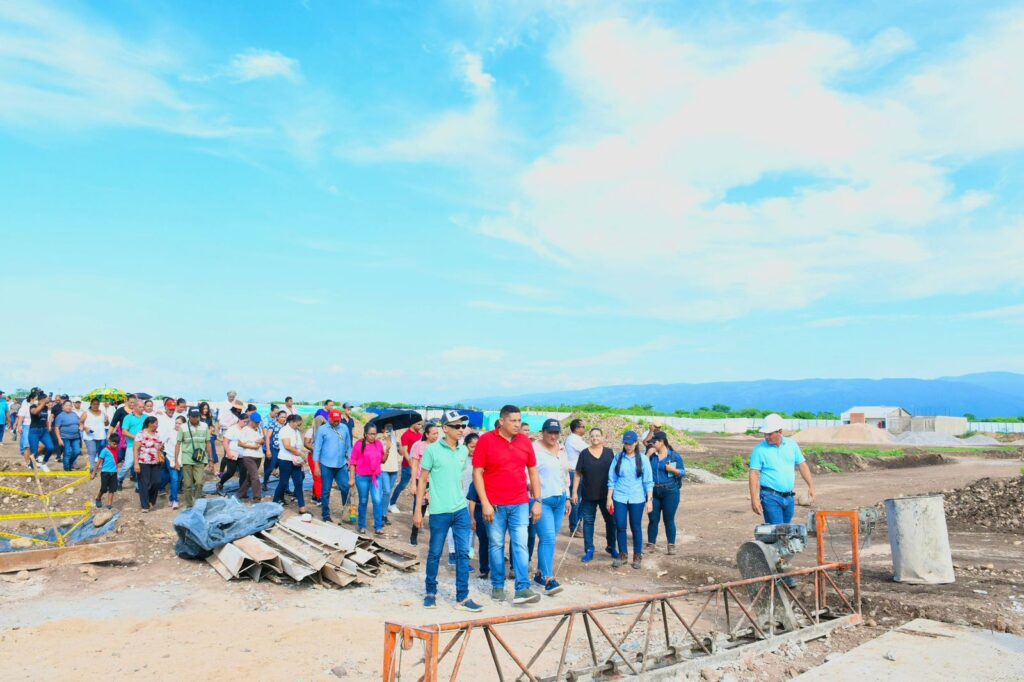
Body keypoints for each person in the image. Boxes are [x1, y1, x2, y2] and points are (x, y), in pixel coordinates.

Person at [473, 404, 543, 606]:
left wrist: (537, 500)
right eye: (513, 421)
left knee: (520, 544)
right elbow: (478, 472)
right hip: (494, 504)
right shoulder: (486, 441)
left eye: (519, 421)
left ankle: (522, 588)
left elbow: (533, 471)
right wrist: (484, 503)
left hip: (520, 502)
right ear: (502, 421)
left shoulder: (525, 442)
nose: (517, 424)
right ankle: (497, 585)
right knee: (496, 545)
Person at [414, 410, 482, 612]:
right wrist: (418, 510)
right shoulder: (432, 451)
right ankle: (430, 593)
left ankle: (462, 597)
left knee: (463, 554)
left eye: (463, 426)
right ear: (446, 429)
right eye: (457, 426)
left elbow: (457, 478)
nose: (462, 430)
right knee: (435, 553)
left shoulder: (462, 451)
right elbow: (423, 480)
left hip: (460, 509)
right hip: (439, 511)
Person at [748, 413, 816, 524]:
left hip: (789, 497)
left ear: (780, 432)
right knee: (778, 532)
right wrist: (754, 499)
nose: (766, 437)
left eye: (769, 434)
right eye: (765, 434)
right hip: (770, 497)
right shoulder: (759, 450)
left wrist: (811, 486)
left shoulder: (791, 445)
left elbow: (802, 465)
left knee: (786, 531)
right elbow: (754, 474)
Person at [532, 418, 571, 595]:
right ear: (543, 432)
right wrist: (536, 500)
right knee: (548, 538)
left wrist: (568, 497)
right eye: (550, 432)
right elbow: (528, 476)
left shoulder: (562, 449)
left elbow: (565, 475)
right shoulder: (534, 449)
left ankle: (540, 573)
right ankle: (549, 579)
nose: (553, 436)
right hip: (543, 500)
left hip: (560, 498)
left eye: (556, 432)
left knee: (550, 538)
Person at [608, 431, 654, 569]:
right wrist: (609, 498)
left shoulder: (643, 459)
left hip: (637, 498)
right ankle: (623, 555)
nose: (628, 446)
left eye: (630, 443)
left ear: (636, 443)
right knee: (620, 526)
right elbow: (612, 479)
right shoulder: (618, 458)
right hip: (620, 497)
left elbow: (648, 482)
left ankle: (637, 556)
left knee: (636, 527)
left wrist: (649, 500)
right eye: (626, 443)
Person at [572, 427, 617, 563]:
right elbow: (578, 474)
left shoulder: (609, 453)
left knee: (611, 521)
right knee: (588, 523)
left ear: (602, 437)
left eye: (597, 435)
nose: (595, 438)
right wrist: (574, 492)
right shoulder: (584, 454)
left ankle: (611, 546)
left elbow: (615, 474)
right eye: (592, 436)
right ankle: (589, 549)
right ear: (589, 438)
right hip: (588, 495)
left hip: (606, 496)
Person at [647, 431, 686, 555]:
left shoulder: (674, 456)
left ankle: (671, 545)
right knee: (653, 519)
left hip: (670, 491)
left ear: (662, 441)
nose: (653, 444)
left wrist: (673, 470)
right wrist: (647, 455)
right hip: (653, 491)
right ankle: (651, 544)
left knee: (668, 519)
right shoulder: (651, 455)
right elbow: (641, 469)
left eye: (655, 442)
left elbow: (683, 472)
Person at [313, 409, 352, 523]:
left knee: (345, 488)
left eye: (338, 420)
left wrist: (350, 460)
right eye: (334, 420)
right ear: (329, 418)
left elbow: (349, 446)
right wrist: (316, 465)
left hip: (341, 465)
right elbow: (317, 448)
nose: (336, 423)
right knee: (326, 490)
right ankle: (325, 514)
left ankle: (346, 512)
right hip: (326, 465)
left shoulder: (344, 428)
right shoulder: (322, 430)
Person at [350, 424, 386, 534]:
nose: (373, 436)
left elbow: (383, 461)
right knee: (363, 501)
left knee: (377, 500)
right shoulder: (359, 445)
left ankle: (378, 526)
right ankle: (362, 525)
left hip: (376, 477)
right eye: (371, 434)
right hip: (362, 477)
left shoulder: (378, 444)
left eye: (375, 434)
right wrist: (352, 478)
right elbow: (353, 462)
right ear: (365, 434)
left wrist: (388, 450)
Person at [408, 422, 440, 545]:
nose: (436, 436)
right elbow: (415, 465)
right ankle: (414, 535)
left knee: (434, 509)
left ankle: (435, 538)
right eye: (433, 433)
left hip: (434, 483)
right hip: (420, 481)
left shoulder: (439, 447)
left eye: (437, 433)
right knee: (419, 508)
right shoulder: (419, 446)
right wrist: (413, 484)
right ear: (426, 434)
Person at [463, 433, 489, 578]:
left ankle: (484, 565)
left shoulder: (483, 463)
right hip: (466, 499)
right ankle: (462, 558)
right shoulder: (462, 461)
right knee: (467, 533)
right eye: (472, 446)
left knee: (484, 537)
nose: (475, 449)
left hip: (478, 500)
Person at [274, 414, 310, 517]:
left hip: (296, 461)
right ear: (292, 422)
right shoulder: (284, 430)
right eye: (298, 424)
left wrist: (301, 455)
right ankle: (274, 503)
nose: (299, 426)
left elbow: (298, 446)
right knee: (283, 482)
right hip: (285, 460)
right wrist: (301, 454)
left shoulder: (296, 431)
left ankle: (302, 507)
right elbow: (287, 446)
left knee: (298, 483)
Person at [176, 408, 212, 508]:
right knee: (187, 485)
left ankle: (197, 503)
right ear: (189, 416)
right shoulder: (183, 427)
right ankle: (189, 505)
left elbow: (208, 442)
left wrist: (210, 459)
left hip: (200, 458)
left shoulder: (204, 426)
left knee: (199, 483)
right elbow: (178, 444)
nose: (196, 418)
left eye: (197, 416)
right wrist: (176, 461)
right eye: (193, 416)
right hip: (187, 458)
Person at [390, 417, 423, 513]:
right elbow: (405, 451)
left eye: (421, 424)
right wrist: (411, 464)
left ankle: (419, 507)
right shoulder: (406, 435)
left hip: (419, 465)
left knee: (420, 486)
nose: (420, 426)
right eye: (419, 424)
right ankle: (392, 503)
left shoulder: (420, 435)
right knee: (402, 485)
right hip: (408, 465)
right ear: (412, 423)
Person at [133, 416, 164, 511]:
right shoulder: (141, 434)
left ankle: (151, 499)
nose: (157, 425)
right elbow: (135, 449)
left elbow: (160, 447)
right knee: (144, 483)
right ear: (149, 423)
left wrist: (161, 449)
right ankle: (145, 506)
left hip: (156, 462)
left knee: (157, 482)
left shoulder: (158, 434)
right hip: (143, 462)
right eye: (155, 423)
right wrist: (136, 463)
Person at [234, 412, 266, 502]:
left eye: (258, 422)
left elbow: (262, 439)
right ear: (251, 421)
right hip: (249, 456)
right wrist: (253, 447)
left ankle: (240, 493)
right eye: (256, 422)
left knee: (250, 477)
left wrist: (261, 442)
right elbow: (240, 443)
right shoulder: (245, 430)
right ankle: (257, 497)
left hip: (258, 456)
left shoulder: (259, 429)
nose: (257, 424)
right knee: (255, 477)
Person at [563, 419, 587, 533]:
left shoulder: (574, 439)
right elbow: (588, 450)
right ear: (577, 428)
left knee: (578, 500)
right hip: (574, 473)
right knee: (576, 500)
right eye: (583, 427)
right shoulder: (574, 440)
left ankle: (577, 526)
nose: (584, 429)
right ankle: (575, 527)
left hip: (576, 472)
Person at [378, 425, 401, 526]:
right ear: (382, 429)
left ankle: (384, 514)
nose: (389, 430)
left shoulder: (395, 438)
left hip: (394, 469)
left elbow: (400, 452)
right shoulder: (379, 440)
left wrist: (399, 446)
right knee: (386, 491)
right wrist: (386, 438)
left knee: (388, 493)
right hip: (384, 469)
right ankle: (382, 515)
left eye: (391, 428)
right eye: (387, 428)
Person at [28, 391, 56, 469]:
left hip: (44, 430)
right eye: (44, 400)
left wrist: (48, 427)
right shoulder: (33, 406)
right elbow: (35, 412)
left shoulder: (46, 408)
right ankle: (31, 465)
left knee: (51, 448)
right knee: (34, 451)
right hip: (34, 431)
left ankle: (44, 462)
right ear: (40, 400)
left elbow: (45, 419)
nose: (47, 401)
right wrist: (43, 403)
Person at [91, 433, 120, 509]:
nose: (115, 446)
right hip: (105, 472)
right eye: (114, 444)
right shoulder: (105, 450)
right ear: (109, 441)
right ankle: (98, 498)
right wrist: (94, 473)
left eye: (117, 444)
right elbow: (98, 462)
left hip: (114, 472)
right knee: (104, 488)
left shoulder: (117, 449)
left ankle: (109, 504)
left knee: (112, 489)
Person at [53, 399, 83, 471]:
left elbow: (79, 423)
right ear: (63, 406)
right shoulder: (60, 416)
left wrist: (82, 426)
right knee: (68, 452)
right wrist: (59, 439)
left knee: (77, 451)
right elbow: (56, 428)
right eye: (67, 405)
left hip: (75, 437)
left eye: (70, 405)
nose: (68, 407)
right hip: (65, 437)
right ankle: (67, 469)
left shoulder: (74, 414)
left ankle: (69, 463)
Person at [81, 398, 109, 470]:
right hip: (89, 435)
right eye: (94, 404)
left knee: (96, 450)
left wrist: (106, 420)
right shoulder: (86, 412)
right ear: (91, 404)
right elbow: (80, 423)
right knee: (92, 451)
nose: (96, 405)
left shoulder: (102, 413)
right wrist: (85, 428)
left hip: (99, 435)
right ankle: (92, 468)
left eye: (97, 404)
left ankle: (93, 464)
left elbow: (106, 424)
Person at [263, 407, 287, 490]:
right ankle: (265, 483)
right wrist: (268, 450)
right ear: (277, 417)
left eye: (285, 417)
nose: (283, 419)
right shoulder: (273, 424)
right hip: (274, 449)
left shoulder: (286, 426)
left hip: (283, 450)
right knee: (270, 467)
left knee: (284, 469)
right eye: (282, 417)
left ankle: (285, 487)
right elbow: (268, 437)